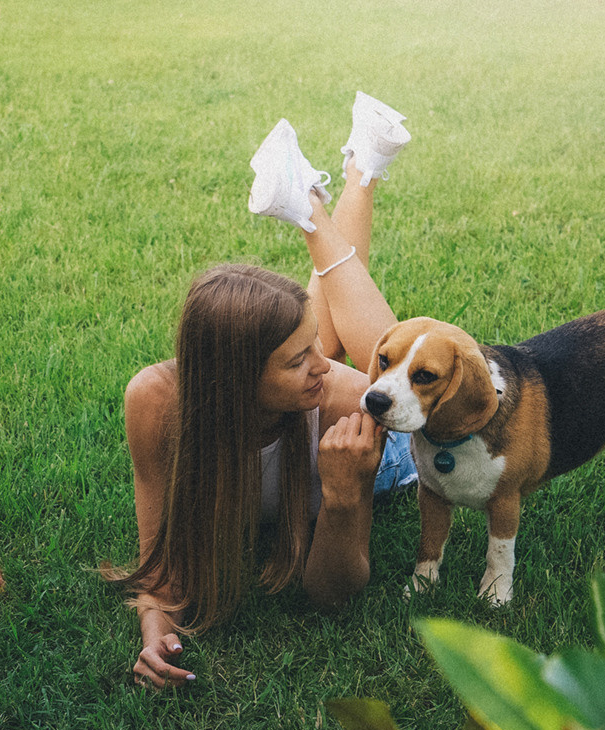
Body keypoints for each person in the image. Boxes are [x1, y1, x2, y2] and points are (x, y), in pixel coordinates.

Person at [114, 94, 417, 689]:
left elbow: (331, 592)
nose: (322, 368)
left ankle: (322, 199)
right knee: (329, 338)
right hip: (276, 405)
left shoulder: (340, 399)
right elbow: (160, 560)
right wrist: (155, 628)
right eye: (295, 359)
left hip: (381, 458)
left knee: (388, 367)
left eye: (311, 350)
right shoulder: (154, 401)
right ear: (232, 380)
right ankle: (353, 172)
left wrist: (345, 493)